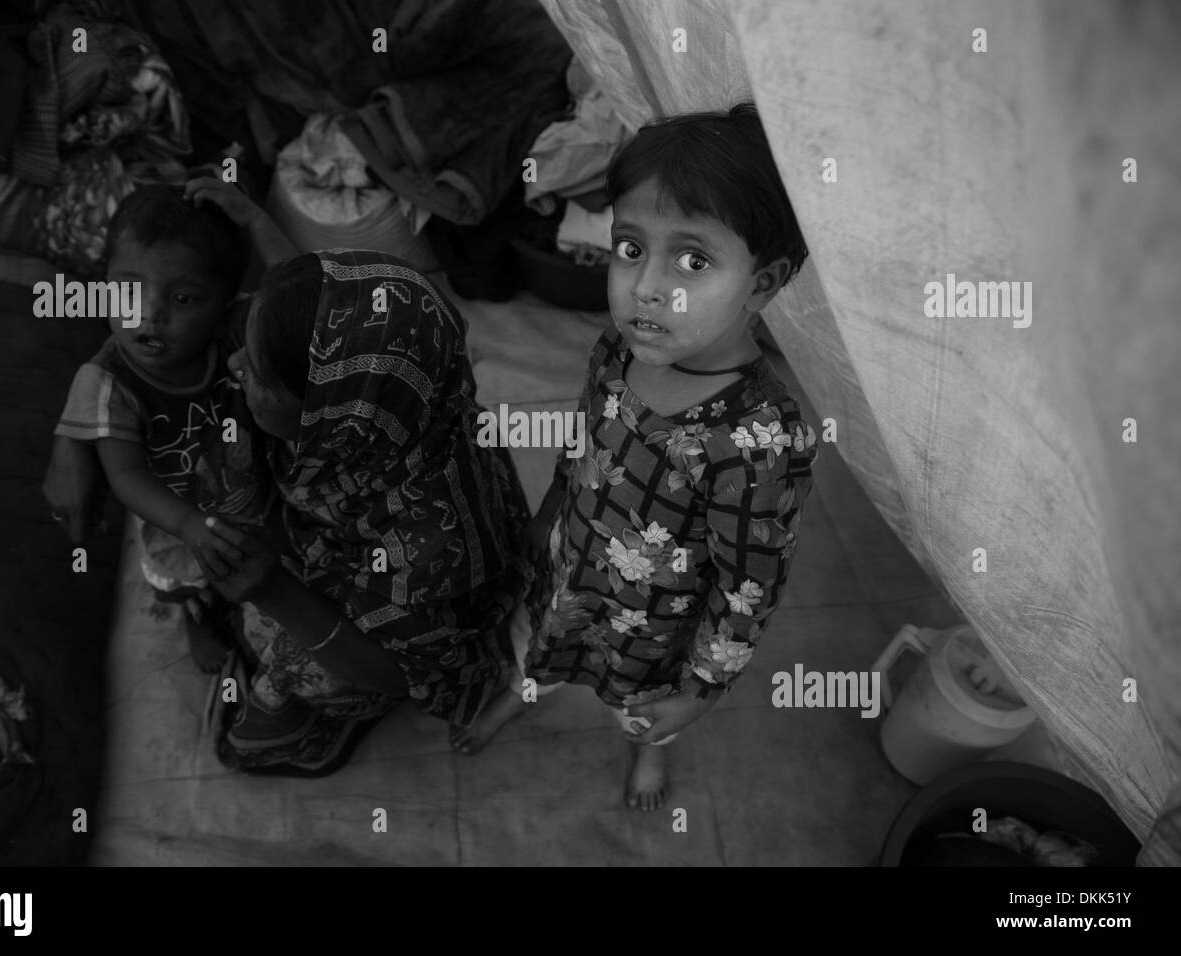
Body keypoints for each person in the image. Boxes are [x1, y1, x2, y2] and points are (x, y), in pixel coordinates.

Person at [47, 180, 532, 774]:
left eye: (254, 373)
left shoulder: (428, 542)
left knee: (275, 652)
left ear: (323, 411)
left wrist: (274, 592)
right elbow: (302, 310)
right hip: (325, 545)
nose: (231, 366)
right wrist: (74, 431)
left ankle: (327, 716)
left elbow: (400, 670)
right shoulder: (398, 399)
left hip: (392, 643)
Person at [450, 104, 820, 812]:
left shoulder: (761, 441)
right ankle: (521, 695)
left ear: (765, 283)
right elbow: (586, 440)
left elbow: (748, 587)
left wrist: (703, 691)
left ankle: (647, 753)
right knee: (538, 644)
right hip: (571, 569)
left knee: (644, 710)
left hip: (654, 628)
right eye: (630, 248)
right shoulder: (621, 349)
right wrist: (554, 508)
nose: (648, 286)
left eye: (692, 259)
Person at [51, 184, 266, 672]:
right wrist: (189, 524)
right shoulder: (113, 384)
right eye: (128, 290)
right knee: (184, 577)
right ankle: (198, 617)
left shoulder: (232, 328)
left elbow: (310, 293)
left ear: (225, 301)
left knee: (266, 566)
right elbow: (127, 477)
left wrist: (255, 219)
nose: (149, 314)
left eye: (184, 298)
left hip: (256, 488)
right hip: (175, 516)